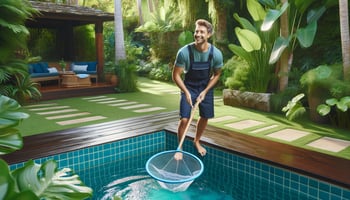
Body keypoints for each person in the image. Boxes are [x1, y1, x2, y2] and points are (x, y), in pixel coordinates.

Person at [172, 19, 223, 157]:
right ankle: (180, 148)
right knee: (184, 119)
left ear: (208, 35)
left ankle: (197, 141)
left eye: (202, 32)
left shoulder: (216, 54)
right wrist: (186, 92)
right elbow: (176, 75)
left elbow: (217, 74)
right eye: (196, 31)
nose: (198, 34)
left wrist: (205, 91)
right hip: (189, 86)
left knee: (205, 116)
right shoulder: (184, 52)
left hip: (205, 86)